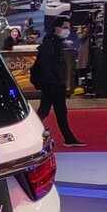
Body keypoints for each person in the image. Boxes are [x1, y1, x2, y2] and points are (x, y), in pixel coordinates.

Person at [32, 18, 85, 147]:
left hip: (52, 83)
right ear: (57, 28)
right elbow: (48, 66)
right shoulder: (51, 43)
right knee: (57, 111)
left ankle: (68, 138)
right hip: (53, 84)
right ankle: (68, 138)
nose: (68, 30)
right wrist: (55, 82)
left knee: (47, 110)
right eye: (65, 27)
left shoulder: (53, 42)